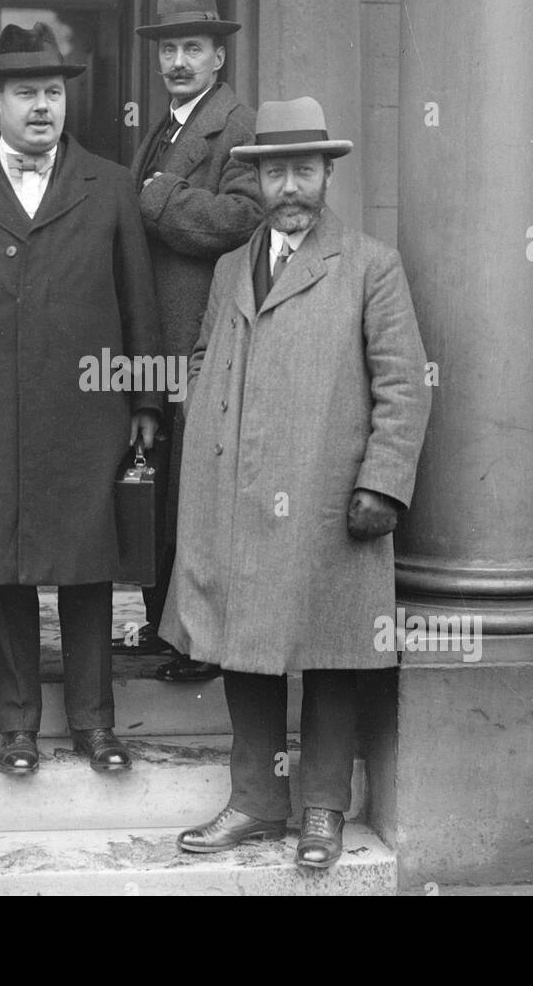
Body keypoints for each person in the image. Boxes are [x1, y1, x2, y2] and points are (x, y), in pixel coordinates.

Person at [161, 97, 431, 867]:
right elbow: (208, 359)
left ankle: (322, 807)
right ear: (257, 176)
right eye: (275, 170)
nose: (289, 185)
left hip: (326, 496)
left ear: (326, 174)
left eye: (303, 169)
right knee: (239, 646)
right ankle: (254, 800)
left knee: (331, 648)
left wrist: (382, 482)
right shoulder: (227, 266)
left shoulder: (370, 264)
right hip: (234, 496)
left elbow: (404, 386)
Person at [0, 22, 162, 776]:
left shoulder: (110, 184)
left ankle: (95, 726)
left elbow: (138, 304)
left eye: (53, 93)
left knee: (87, 569)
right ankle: (18, 728)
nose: (41, 107)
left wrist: (146, 404)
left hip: (89, 411)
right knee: (7, 568)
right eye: (25, 93)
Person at [116, 0, 263, 685]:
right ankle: (164, 627)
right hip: (159, 341)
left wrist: (158, 199)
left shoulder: (236, 123)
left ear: (217, 54)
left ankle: (202, 644)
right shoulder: (167, 125)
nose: (178, 60)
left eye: (191, 49)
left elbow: (244, 216)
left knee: (197, 493)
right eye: (168, 49)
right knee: (162, 484)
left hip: (202, 337)